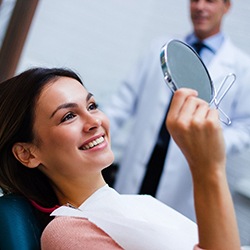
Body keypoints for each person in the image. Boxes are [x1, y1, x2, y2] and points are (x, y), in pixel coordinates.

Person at [0, 67, 241, 249]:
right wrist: (207, 169)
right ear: (27, 153)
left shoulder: (141, 204)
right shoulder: (68, 233)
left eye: (92, 106)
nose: (95, 121)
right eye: (69, 116)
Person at [103, 0, 250, 221]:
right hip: (140, 164)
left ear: (226, 6)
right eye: (194, 0)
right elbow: (123, 101)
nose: (200, 6)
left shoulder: (241, 67)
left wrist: (211, 142)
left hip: (186, 174)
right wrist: (94, 134)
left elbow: (245, 128)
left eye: (210, 0)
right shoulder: (159, 47)